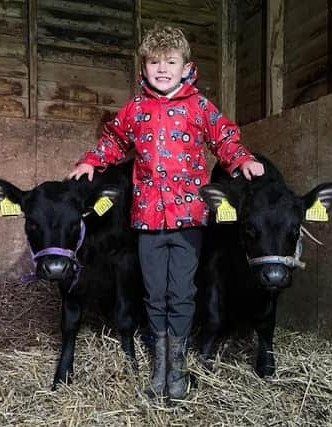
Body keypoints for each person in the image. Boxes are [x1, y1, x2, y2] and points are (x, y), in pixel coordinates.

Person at [68, 25, 264, 400]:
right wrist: (91, 161)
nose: (162, 69)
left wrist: (242, 159)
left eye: (170, 62)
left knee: (183, 292)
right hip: (147, 221)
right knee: (155, 293)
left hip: (190, 218)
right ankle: (160, 368)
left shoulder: (199, 107)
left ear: (186, 67)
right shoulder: (135, 110)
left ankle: (179, 368)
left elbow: (224, 137)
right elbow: (113, 140)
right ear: (143, 69)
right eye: (154, 62)